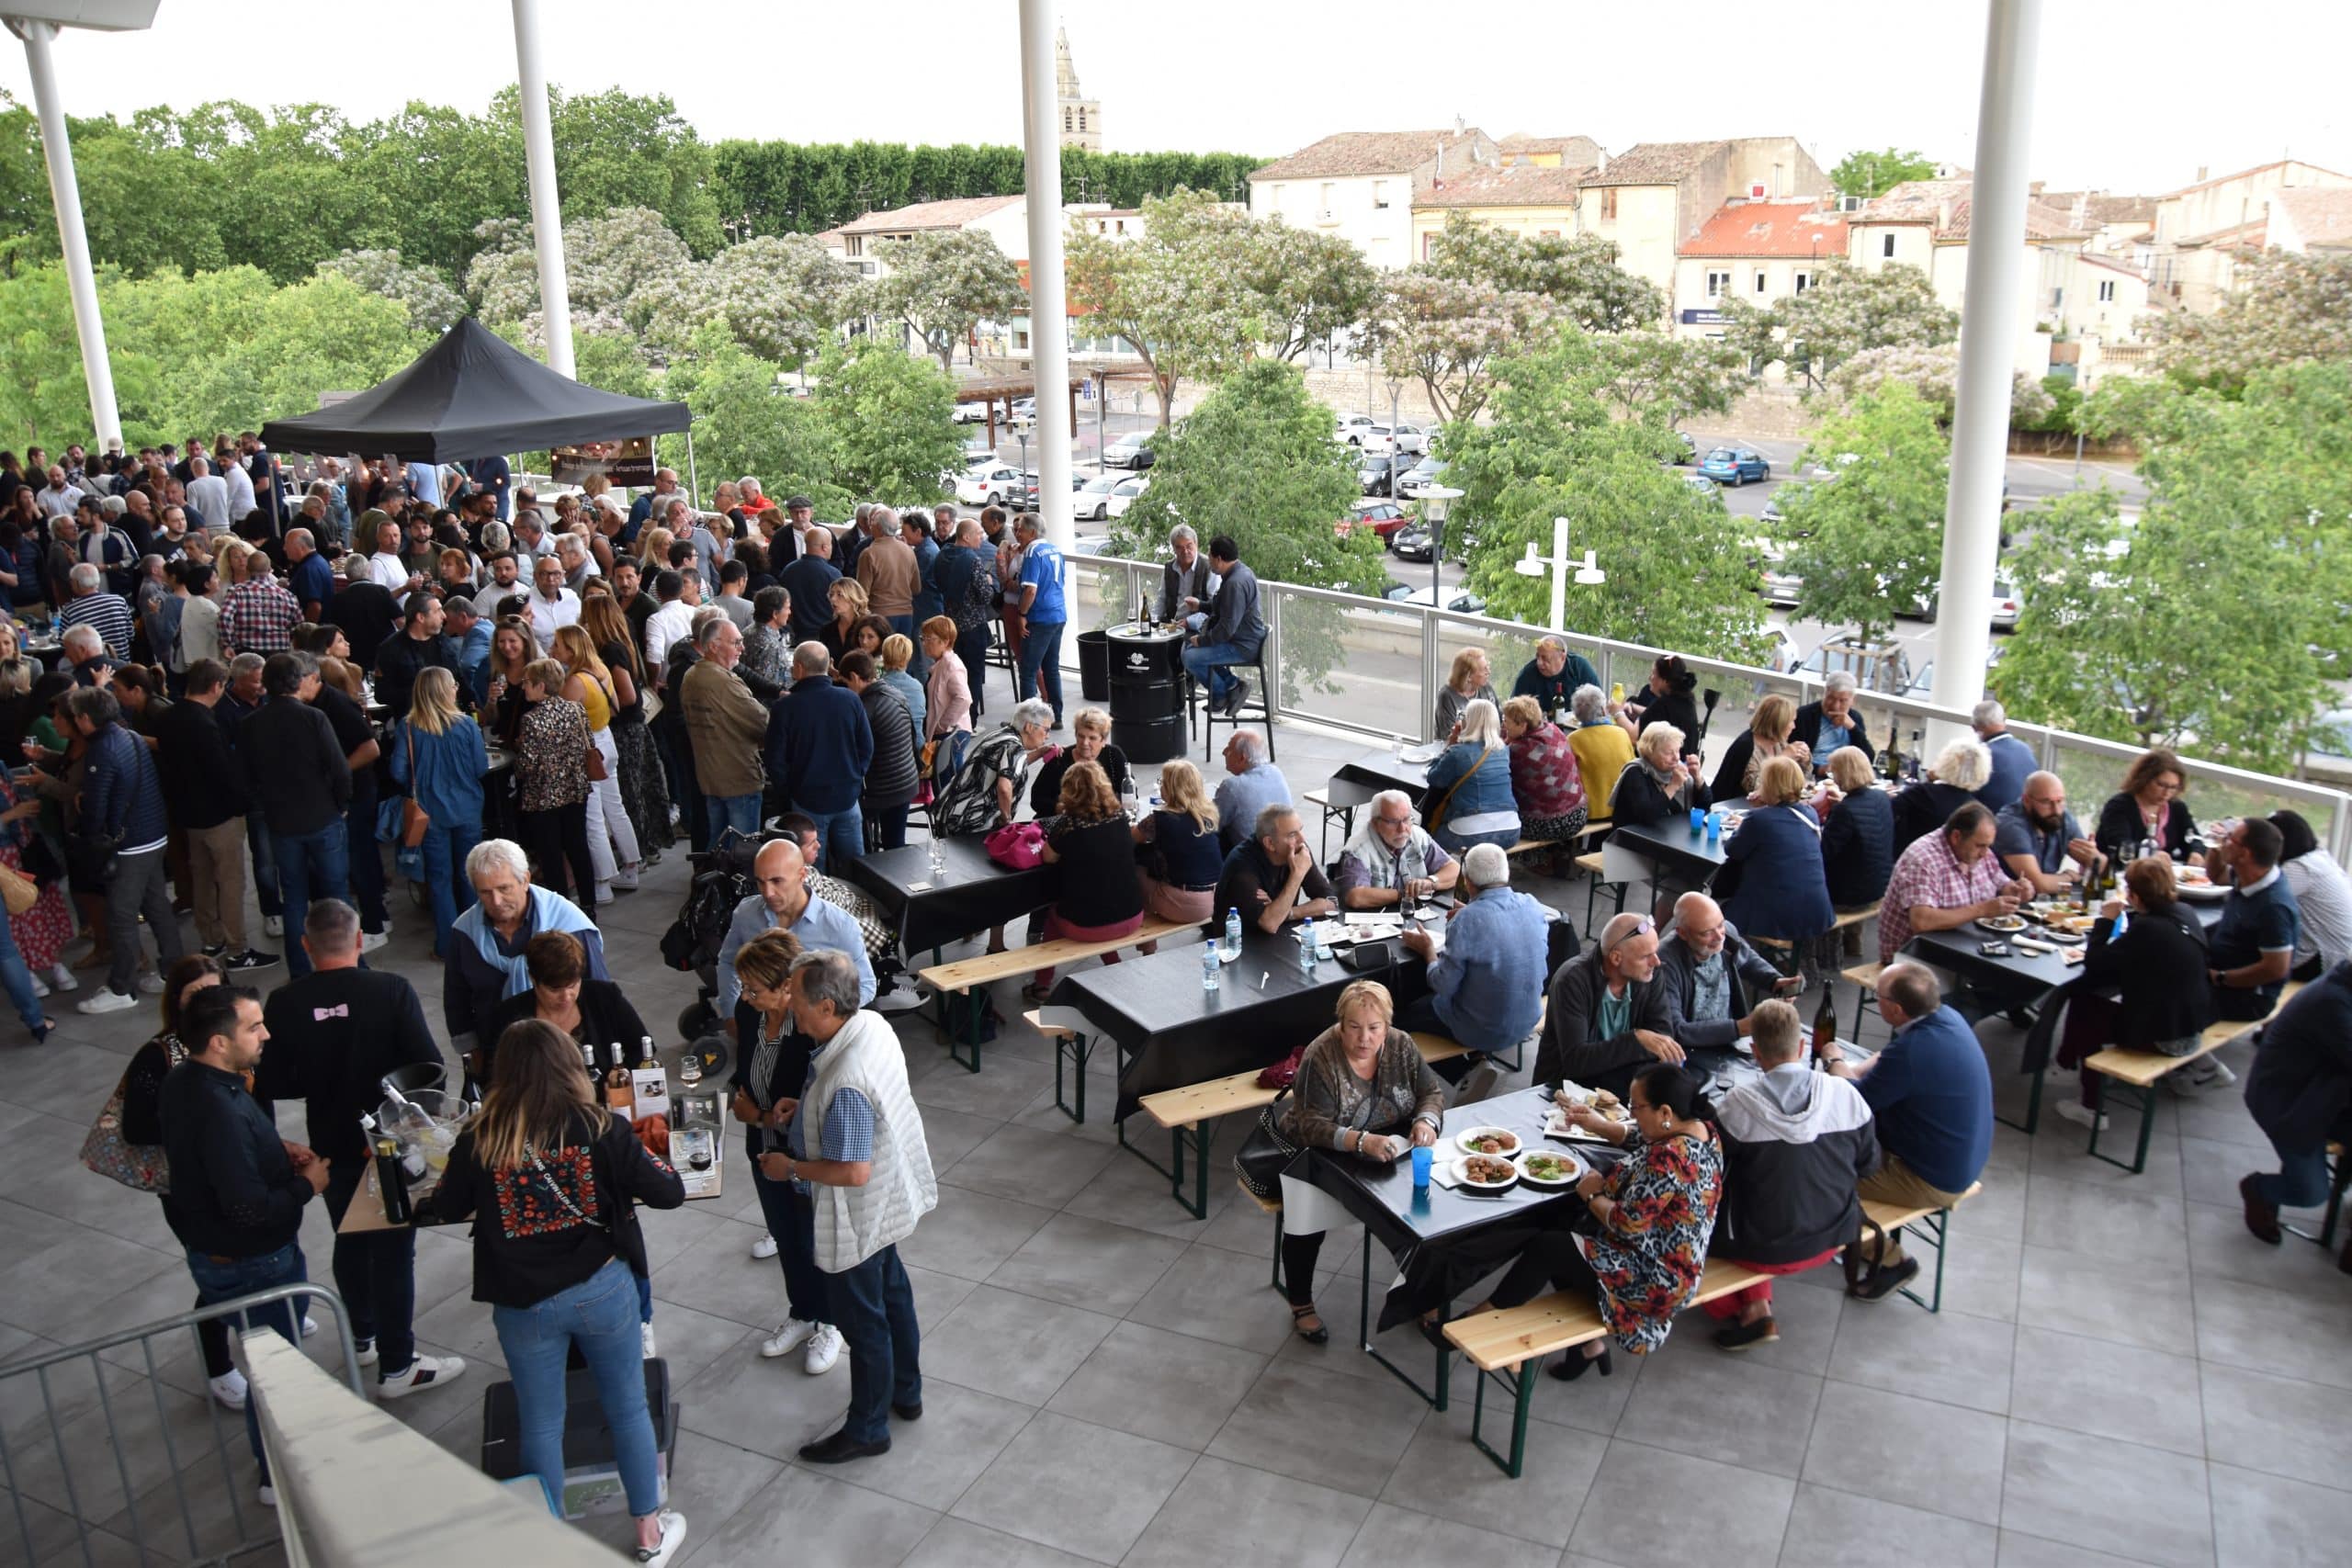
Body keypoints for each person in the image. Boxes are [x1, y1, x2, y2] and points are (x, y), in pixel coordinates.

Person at [426, 1020, 686, 1562]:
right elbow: (668, 1193)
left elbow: (446, 1207)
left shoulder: (483, 1136)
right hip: (601, 1291)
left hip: (522, 1303)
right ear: (569, 1065)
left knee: (541, 1420)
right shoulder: (601, 1129)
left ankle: (550, 1541)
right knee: (627, 1408)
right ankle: (647, 1533)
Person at [254, 900, 460, 1398]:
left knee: (348, 1236)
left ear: (305, 945)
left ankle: (362, 1335)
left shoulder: (283, 1003)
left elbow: (273, 1079)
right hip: (387, 1147)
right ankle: (398, 1366)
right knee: (393, 1249)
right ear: (360, 939)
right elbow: (430, 1069)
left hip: (329, 1144)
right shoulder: (390, 990)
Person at [764, 950, 937, 1464]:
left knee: (864, 1324)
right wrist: (804, 1115)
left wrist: (788, 1166)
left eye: (796, 999)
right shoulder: (871, 1025)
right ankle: (906, 1393)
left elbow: (851, 1170)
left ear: (823, 1005)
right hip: (891, 1196)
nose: (790, 1007)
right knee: (893, 1296)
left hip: (858, 1214)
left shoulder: (845, 1083)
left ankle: (867, 1428)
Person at [158, 983, 325, 1506]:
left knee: (272, 1359)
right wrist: (306, 1186)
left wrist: (275, 1150)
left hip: (218, 1253)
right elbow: (248, 1207)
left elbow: (222, 1161)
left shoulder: (190, 1080)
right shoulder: (220, 1109)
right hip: (255, 1264)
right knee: (277, 1374)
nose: (266, 1033)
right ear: (218, 1043)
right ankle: (278, 1475)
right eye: (253, 1027)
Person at [1476, 1064, 1723, 1382]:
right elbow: (1645, 1139)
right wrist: (1598, 1125)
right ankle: (1588, 1347)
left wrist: (1591, 1195)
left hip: (1654, 1279)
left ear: (1665, 1111)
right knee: (1571, 1242)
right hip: (1677, 1267)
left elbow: (1626, 1223)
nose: (1632, 1114)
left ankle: (1483, 1317)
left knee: (1550, 1247)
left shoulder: (1671, 1158)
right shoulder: (1701, 1131)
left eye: (1636, 1107)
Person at [1262, 981, 1445, 1343]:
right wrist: (1359, 1140)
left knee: (1427, 1211)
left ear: (1387, 1026)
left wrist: (1426, 1120)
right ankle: (1301, 1302)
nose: (1365, 1038)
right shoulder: (1321, 1057)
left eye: (1375, 1028)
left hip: (1386, 1148)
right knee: (1305, 1220)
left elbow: (1431, 1092)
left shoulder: (1401, 1045)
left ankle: (1419, 1292)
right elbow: (1312, 1126)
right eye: (1354, 1027)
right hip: (1321, 1153)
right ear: (1341, 1024)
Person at [1705, 999, 1880, 1349]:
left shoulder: (1735, 1108)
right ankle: (1756, 1306)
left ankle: (1753, 1306)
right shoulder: (1846, 1095)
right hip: (1833, 1236)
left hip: (1755, 1249)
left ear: (1754, 1051)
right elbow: (1869, 1166)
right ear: (1801, 1047)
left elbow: (1711, 1179)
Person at [1817, 963, 1992, 1299]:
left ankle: (1891, 1260)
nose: (1874, 999)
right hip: (1962, 1157)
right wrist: (1856, 1067)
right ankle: (1860, 1238)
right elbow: (1889, 1055)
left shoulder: (1913, 1053)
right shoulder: (1946, 1018)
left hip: (1930, 1178)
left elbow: (1856, 1101)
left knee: (1820, 1172)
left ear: (1894, 1009)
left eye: (1877, 996)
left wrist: (1834, 1060)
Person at [726, 927, 845, 1371]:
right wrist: (743, 1096)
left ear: (785, 988)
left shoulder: (812, 1028)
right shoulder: (750, 1011)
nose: (747, 996)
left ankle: (831, 1324)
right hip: (761, 1148)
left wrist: (758, 1116)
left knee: (816, 1238)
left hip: (803, 1155)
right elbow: (745, 1066)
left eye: (755, 989)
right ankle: (802, 1312)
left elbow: (815, 1109)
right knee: (785, 1234)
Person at [118, 956, 234, 1402]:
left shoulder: (233, 1040)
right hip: (189, 1188)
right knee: (217, 1276)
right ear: (176, 1002)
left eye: (215, 991)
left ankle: (273, 1313)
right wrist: (201, 1126)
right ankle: (219, 1368)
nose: (207, 1004)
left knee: (260, 1255)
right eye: (195, 996)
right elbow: (136, 1129)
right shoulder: (158, 1056)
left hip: (239, 1172)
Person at [2052, 856, 2217, 1130]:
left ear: (2135, 895)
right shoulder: (2184, 911)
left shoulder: (2147, 929)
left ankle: (2091, 1107)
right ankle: (2067, 1059)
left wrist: (2105, 922)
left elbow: (2095, 964)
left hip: (2168, 1038)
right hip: (2194, 1024)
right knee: (2095, 1001)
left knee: (2084, 1004)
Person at [443, 840, 610, 1073]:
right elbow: (456, 999)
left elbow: (600, 995)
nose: (497, 901)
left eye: (504, 888)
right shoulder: (465, 933)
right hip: (498, 1055)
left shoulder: (572, 926)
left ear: (525, 880)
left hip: (567, 1054)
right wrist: (473, 1055)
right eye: (486, 892)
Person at [71, 686, 187, 1015]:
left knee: (121, 915)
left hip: (130, 844)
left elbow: (96, 806)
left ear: (84, 718)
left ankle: (122, 987)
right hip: (153, 834)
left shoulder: (101, 749)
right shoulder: (129, 736)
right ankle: (171, 971)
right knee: (156, 904)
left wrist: (92, 836)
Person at [153, 659, 273, 971]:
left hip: (188, 814)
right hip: (219, 815)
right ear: (217, 686)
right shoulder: (206, 723)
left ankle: (211, 938)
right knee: (231, 883)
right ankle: (237, 949)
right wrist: (243, 803)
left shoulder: (168, 717)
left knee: (203, 880)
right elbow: (222, 772)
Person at [2237, 961, 2352, 1260]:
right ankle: (2259, 1188)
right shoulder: (2332, 1003)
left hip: (2326, 1094)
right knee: (2310, 1193)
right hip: (2289, 1104)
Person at [1398, 842, 1546, 1062]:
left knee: (1403, 1014)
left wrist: (1428, 950)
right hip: (1527, 1019)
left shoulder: (1467, 921)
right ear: (1506, 874)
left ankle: (1462, 1072)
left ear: (1467, 882)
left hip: (1481, 1031)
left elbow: (1442, 985)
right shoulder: (1532, 905)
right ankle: (1474, 1066)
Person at [1023, 760, 1148, 995]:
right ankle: (1113, 963)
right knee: (1102, 900)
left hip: (1088, 926)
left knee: (1053, 917)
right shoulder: (1120, 817)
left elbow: (1048, 857)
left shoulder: (1068, 825)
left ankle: (1041, 984)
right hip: (1132, 916)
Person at [390, 667, 488, 959]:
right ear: (446, 690)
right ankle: (474, 940)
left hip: (430, 813)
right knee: (468, 874)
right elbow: (480, 767)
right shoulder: (466, 725)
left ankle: (447, 944)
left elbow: (397, 771)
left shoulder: (408, 727)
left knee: (439, 878)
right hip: (468, 808)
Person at [1877, 802, 2032, 976]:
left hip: (1963, 946)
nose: (1985, 853)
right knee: (1999, 977)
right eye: (1980, 846)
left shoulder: (1979, 851)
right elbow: (1922, 922)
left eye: (1988, 846)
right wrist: (1983, 909)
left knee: (2021, 968)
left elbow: (2002, 884)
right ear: (1956, 837)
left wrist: (2016, 890)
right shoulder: (1922, 859)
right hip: (1913, 956)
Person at [1535, 911, 1679, 1098]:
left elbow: (1662, 1038)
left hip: (1622, 1087)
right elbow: (1577, 1061)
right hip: (1566, 1091)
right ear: (1616, 958)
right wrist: (1636, 1040)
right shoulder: (1572, 980)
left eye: (1655, 952)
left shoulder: (1651, 974)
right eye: (1646, 956)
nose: (1656, 962)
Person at [485, 929, 650, 1087]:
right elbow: (494, 1078)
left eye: (572, 985)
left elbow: (642, 1047)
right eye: (554, 989)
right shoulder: (508, 1016)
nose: (566, 996)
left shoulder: (604, 996)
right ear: (533, 980)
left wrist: (618, 1082)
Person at [550, 626, 642, 897]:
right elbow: (614, 704)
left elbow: (562, 724)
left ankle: (601, 884)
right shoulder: (600, 668)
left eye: (558, 645)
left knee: (592, 819)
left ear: (571, 649)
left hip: (588, 749)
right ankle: (631, 867)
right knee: (615, 808)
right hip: (606, 741)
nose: (553, 650)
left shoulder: (575, 681)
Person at [1657, 892, 1803, 1051]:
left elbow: (1747, 959)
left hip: (1729, 1038)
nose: (1719, 936)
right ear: (1683, 933)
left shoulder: (1727, 933)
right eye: (1706, 933)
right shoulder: (1664, 963)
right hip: (1688, 1050)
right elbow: (1676, 1030)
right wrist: (1740, 1028)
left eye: (1720, 925)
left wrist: (1773, 981)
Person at [1717, 756, 1835, 953]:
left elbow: (1733, 850)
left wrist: (1752, 818)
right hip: (1816, 908)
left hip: (1777, 913)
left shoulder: (1759, 819)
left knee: (1720, 902)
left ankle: (1737, 967)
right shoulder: (1810, 813)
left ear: (1770, 785)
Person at [2200, 816, 2302, 1029]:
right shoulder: (2249, 875)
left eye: (2230, 839)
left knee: (2167, 992)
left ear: (2245, 854)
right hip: (2223, 976)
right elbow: (2217, 876)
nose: (2225, 840)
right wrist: (2216, 847)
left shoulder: (2274, 907)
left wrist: (2221, 978)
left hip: (2248, 998)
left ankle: (2199, 1061)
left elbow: (2275, 969)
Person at [513, 656, 598, 905]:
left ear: (541, 686)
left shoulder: (531, 720)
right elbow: (588, 745)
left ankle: (562, 907)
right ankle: (589, 904)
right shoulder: (575, 708)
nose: (523, 687)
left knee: (551, 857)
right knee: (578, 849)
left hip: (544, 798)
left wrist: (519, 755)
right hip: (575, 790)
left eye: (527, 682)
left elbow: (526, 766)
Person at [680, 618, 770, 848]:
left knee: (718, 846)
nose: (743, 648)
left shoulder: (691, 675)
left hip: (711, 777)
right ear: (713, 646)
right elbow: (763, 723)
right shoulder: (723, 682)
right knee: (742, 850)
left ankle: (714, 884)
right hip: (738, 778)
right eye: (736, 642)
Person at [930, 698, 1056, 843]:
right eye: (1046, 730)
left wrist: (1040, 752)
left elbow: (1012, 766)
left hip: (949, 810)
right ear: (1028, 727)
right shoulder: (1013, 748)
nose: (1047, 735)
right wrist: (1006, 819)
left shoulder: (1004, 735)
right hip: (965, 823)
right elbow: (1004, 787)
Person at [1216, 804, 1338, 940]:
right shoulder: (1242, 865)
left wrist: (1287, 913)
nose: (1302, 839)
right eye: (1292, 834)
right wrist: (1297, 875)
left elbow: (1331, 902)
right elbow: (1270, 923)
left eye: (1300, 830)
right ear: (1270, 843)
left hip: (1277, 940)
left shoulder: (1298, 851)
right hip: (1237, 945)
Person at [836, 651, 919, 852]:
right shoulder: (895, 693)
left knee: (843, 820)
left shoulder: (864, 709)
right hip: (907, 782)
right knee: (895, 844)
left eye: (846, 683)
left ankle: (864, 865)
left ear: (855, 678)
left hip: (881, 792)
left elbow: (851, 754)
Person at [1133, 759, 1225, 929]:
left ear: (1171, 789)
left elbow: (1129, 839)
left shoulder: (1158, 821)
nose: (1160, 786)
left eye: (1162, 782)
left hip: (1183, 904)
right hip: (1216, 898)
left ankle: (1146, 944)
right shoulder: (1208, 816)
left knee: (1135, 870)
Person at [1181, 535, 1264, 719]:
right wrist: (1201, 605)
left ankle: (1221, 694)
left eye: (1210, 555)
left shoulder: (1235, 584)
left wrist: (1203, 641)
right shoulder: (1239, 572)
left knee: (1190, 658)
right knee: (1188, 646)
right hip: (1241, 640)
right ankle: (1232, 686)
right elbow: (1223, 607)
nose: (1207, 559)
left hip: (1243, 646)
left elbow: (1227, 628)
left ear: (1219, 559)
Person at [1422, 698, 1520, 854]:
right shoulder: (1503, 751)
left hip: (1469, 835)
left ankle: (1427, 856)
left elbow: (1434, 779)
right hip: (1511, 831)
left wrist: (1449, 745)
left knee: (1432, 830)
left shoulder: (1458, 753)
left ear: (1469, 721)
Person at [1335, 789, 1459, 909]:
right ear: (1375, 823)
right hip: (1376, 923)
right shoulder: (1357, 849)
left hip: (1412, 916)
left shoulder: (1417, 835)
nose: (1402, 829)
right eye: (1393, 822)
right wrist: (1404, 894)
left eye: (1406, 819)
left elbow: (1454, 869)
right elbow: (1355, 896)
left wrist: (1430, 882)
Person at [1499, 695, 1587, 854]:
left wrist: (1506, 741)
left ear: (1523, 725)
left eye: (1507, 721)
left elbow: (1499, 772)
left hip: (1549, 824)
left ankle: (1534, 860)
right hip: (1578, 814)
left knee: (1501, 818)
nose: (1503, 725)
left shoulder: (1518, 750)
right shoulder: (1554, 730)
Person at [2271, 811, 2352, 979]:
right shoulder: (2318, 858)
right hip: (2343, 954)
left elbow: (2257, 898)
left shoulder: (2299, 869)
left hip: (2324, 960)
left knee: (2241, 950)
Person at [1995, 771, 2102, 897]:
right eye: (2046, 802)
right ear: (2027, 801)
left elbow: (2101, 868)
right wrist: (2069, 877)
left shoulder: (2061, 817)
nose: (2056, 810)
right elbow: (2039, 885)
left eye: (2060, 801)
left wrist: (2094, 857)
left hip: (2044, 902)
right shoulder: (2011, 826)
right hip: (2010, 903)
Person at [1009, 514, 1068, 726]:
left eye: (1021, 530)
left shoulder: (1032, 553)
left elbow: (1031, 590)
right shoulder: (1055, 549)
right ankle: (1056, 716)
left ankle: (1028, 721)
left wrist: (1022, 614)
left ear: (1032, 533)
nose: (1017, 534)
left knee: (1028, 670)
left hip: (1040, 617)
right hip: (1058, 614)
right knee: (1051, 667)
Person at [2094, 747, 2200, 864]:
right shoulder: (2119, 805)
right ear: (2145, 779)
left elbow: (2193, 838)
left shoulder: (2177, 807)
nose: (2166, 793)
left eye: (2173, 787)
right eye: (2161, 785)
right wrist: (2152, 854)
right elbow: (2120, 844)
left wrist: (2196, 853)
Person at [1892, 738, 1993, 852]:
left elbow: (1888, 810)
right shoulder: (1975, 809)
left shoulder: (1923, 793)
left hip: (1911, 856)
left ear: (1946, 762)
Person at [1027, 706, 1130, 818]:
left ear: (1103, 740)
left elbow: (1130, 792)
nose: (1085, 743)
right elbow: (1037, 799)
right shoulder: (1060, 759)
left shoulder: (1114, 755)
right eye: (1081, 736)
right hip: (1063, 822)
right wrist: (1062, 808)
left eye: (1092, 738)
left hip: (1104, 819)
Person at [1709, 694, 1811, 806]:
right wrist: (1783, 759)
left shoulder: (1778, 743)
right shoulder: (1746, 746)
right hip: (1732, 809)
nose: (1794, 726)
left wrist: (1804, 761)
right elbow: (1757, 790)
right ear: (1778, 723)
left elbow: (1799, 782)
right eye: (1791, 721)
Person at [371, 592, 460, 718]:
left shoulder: (443, 641)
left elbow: (458, 675)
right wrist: (423, 693)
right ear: (421, 617)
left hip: (451, 717)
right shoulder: (390, 649)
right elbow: (382, 694)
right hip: (415, 723)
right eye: (438, 611)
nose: (444, 616)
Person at [1608, 721, 1703, 829]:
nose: (1676, 757)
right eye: (1669, 753)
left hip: (1670, 834)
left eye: (1677, 751)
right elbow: (1647, 815)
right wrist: (1673, 786)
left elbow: (1705, 805)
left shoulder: (1677, 770)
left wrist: (1697, 778)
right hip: (1634, 838)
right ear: (1650, 751)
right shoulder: (1635, 772)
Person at [1566, 683, 1635, 826]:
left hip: (1591, 813)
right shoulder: (1622, 733)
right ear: (1604, 710)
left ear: (1577, 714)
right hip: (1622, 810)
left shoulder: (1572, 740)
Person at [1210, 730, 1289, 852]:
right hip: (1283, 849)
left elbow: (1211, 824)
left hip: (1254, 860)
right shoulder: (1276, 771)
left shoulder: (1232, 787)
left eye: (1229, 749)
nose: (1223, 752)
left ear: (1242, 758)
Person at [918, 615, 973, 786]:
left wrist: (943, 725)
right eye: (923, 638)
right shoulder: (941, 663)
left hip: (953, 732)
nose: (925, 643)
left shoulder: (951, 665)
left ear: (946, 641)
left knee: (948, 784)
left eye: (930, 639)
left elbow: (964, 698)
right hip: (949, 731)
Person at [1792, 672, 1873, 773]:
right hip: (1813, 775)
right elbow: (1793, 757)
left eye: (1843, 701)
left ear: (1853, 700)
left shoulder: (1855, 718)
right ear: (1825, 693)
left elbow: (1868, 758)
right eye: (1831, 698)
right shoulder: (1804, 715)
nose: (1835, 706)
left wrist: (1853, 728)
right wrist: (1819, 770)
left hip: (1846, 775)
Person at [1510, 636, 1602, 719]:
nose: (1539, 663)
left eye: (1545, 658)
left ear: (1562, 657)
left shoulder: (1579, 667)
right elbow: (1513, 710)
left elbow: (1599, 704)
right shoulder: (1528, 674)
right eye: (1537, 657)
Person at [1619, 653, 1700, 745]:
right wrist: (1632, 706)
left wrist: (1618, 713)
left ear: (1665, 681)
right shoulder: (1687, 701)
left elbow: (1634, 737)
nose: (1650, 678)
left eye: (1654, 673)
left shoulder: (1663, 704)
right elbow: (1653, 713)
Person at [1971, 700, 2035, 813]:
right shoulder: (2026, 750)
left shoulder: (1980, 756)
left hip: (1989, 824)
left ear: (1975, 727)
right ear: (2004, 720)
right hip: (2024, 821)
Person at [1432, 647, 1499, 741]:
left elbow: (1498, 721)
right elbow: (1448, 736)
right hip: (1454, 750)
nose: (1488, 672)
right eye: (1484, 669)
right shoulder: (1447, 696)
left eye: (1487, 667)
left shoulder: (1486, 688)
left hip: (1485, 747)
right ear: (1468, 676)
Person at [739, 584, 792, 697]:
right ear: (775, 614)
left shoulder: (748, 631)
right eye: (787, 607)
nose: (790, 612)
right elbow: (769, 686)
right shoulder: (770, 646)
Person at [1159, 524, 1216, 626]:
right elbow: (1161, 599)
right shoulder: (1169, 568)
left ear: (1196, 544)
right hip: (1171, 625)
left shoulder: (1209, 567)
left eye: (1189, 546)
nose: (1185, 551)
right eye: (1179, 548)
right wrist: (1152, 622)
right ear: (1174, 549)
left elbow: (1215, 605)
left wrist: (1190, 622)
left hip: (1198, 627)